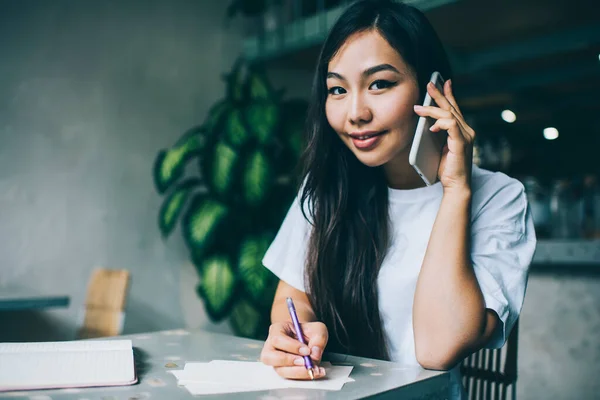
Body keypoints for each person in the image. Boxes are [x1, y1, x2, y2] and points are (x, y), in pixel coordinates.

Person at [259, 0, 536, 398]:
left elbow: (438, 349)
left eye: (380, 84)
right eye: (337, 89)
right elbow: (293, 297)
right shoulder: (327, 186)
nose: (355, 112)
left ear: (434, 89)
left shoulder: (500, 197)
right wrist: (299, 332)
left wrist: (455, 189)